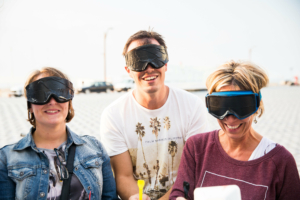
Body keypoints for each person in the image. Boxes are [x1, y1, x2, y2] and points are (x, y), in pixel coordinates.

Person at [100, 30, 210, 200]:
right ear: (128, 70)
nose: (149, 68)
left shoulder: (192, 106)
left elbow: (194, 171)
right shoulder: (113, 115)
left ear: (165, 64)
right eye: (139, 61)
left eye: (155, 58)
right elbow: (123, 176)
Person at [170, 61, 300, 200]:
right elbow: (179, 193)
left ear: (256, 105)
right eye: (220, 106)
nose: (230, 119)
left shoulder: (280, 162)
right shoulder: (196, 147)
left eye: (241, 107)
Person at [0, 67, 118, 200]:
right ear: (30, 105)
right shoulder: (6, 158)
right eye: (41, 94)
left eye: (60, 92)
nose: (52, 101)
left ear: (69, 102)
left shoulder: (95, 149)